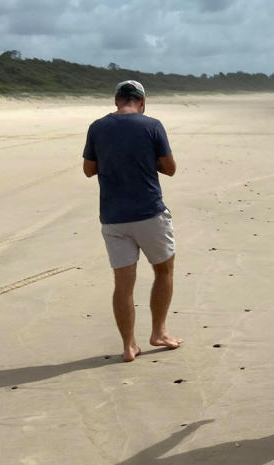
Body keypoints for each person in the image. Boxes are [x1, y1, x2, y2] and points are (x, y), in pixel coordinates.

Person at [82, 80, 182, 362]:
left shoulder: (97, 127)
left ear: (116, 101)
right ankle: (159, 332)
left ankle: (128, 345)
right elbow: (171, 169)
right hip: (149, 213)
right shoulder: (152, 126)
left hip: (113, 218)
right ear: (142, 102)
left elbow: (89, 170)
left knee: (123, 284)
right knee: (164, 271)